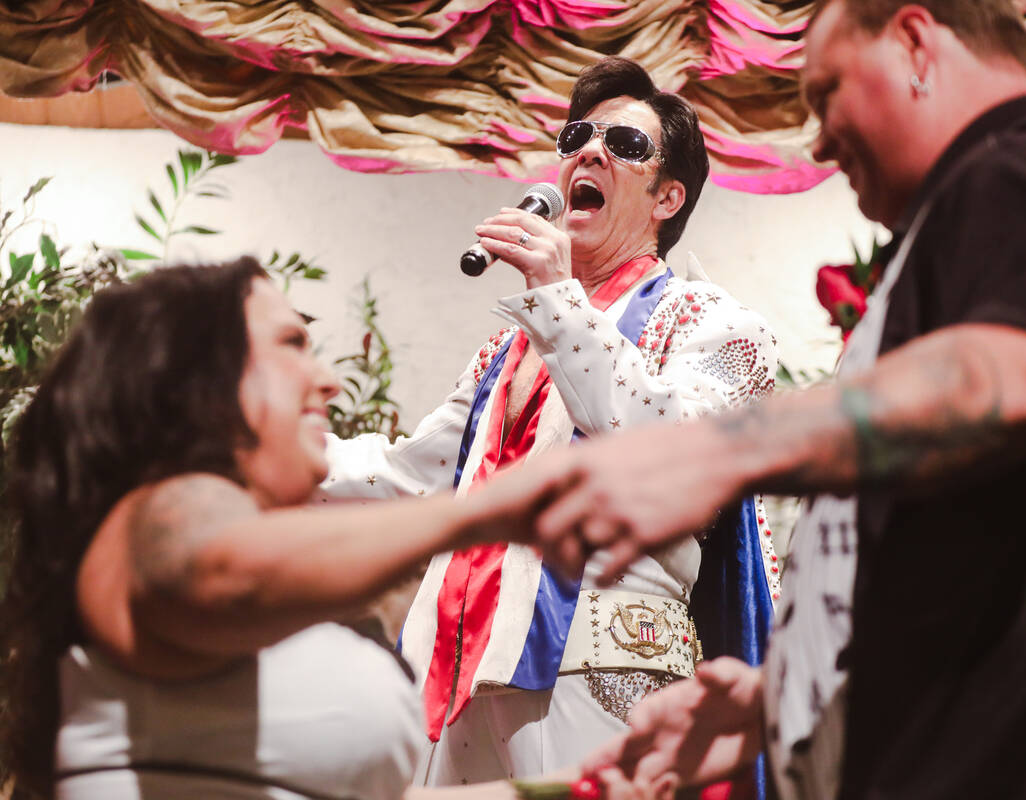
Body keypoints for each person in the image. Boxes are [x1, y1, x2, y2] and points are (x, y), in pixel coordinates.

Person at [533, 2, 1026, 798]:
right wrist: (778, 697)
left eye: (827, 93)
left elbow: (1008, 387)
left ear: (916, 43)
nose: (818, 141)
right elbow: (974, 543)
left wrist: (709, 450)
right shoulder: (975, 217)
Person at [320, 57, 782, 785]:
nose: (589, 152)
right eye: (576, 138)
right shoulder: (512, 349)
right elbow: (408, 476)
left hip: (604, 663)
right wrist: (259, 456)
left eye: (625, 145)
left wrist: (556, 296)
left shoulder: (715, 322)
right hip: (456, 665)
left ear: (668, 198)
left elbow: (674, 454)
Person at [0, 258, 575, 800]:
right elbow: (214, 566)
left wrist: (593, 785)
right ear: (191, 374)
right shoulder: (151, 520)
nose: (327, 380)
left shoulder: (280, 577)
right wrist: (495, 508)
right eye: (292, 344)